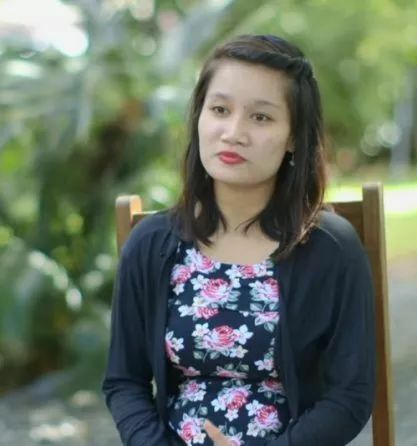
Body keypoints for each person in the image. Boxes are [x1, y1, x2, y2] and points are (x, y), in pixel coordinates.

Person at [101, 34, 376, 446]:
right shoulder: (151, 244)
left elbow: (350, 395)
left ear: (294, 137)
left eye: (261, 117)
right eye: (220, 110)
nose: (233, 132)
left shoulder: (330, 249)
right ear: (199, 117)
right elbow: (124, 381)